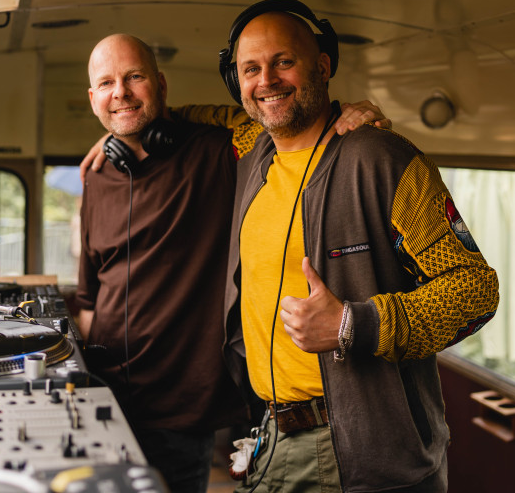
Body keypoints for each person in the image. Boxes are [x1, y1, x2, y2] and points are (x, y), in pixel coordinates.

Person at [75, 33, 389, 493]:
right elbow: (87, 296)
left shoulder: (222, 151)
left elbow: (289, 120)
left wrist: (351, 115)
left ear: (160, 84)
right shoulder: (96, 173)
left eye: (133, 77)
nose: (119, 92)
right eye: (106, 84)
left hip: (179, 412)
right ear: (92, 98)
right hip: (101, 400)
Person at [218, 0, 501, 493]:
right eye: (250, 69)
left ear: (323, 67)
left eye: (283, 61)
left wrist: (354, 324)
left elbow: (474, 291)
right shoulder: (253, 151)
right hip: (271, 434)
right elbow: (197, 116)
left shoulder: (380, 158)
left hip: (363, 450)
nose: (266, 80)